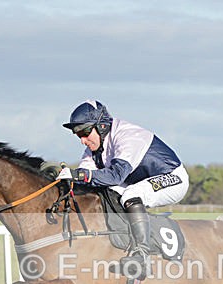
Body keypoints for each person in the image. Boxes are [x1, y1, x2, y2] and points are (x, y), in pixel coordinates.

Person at [59, 100, 189, 274]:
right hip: (137, 181)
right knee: (107, 192)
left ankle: (142, 255)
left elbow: (116, 176)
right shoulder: (95, 148)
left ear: (102, 126)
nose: (83, 140)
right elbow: (84, 177)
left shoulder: (127, 136)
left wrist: (79, 175)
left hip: (172, 178)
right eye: (78, 135)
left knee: (131, 194)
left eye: (85, 132)